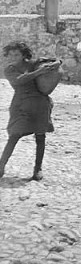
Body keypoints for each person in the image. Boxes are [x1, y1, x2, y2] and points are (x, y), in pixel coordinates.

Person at [0, 42, 59, 181]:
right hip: (21, 105)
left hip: (39, 104)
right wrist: (39, 72)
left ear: (24, 54)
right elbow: (20, 80)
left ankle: (37, 169)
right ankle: (1, 166)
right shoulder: (9, 69)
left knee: (40, 136)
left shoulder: (33, 63)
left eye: (17, 54)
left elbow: (54, 60)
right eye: (11, 54)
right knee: (14, 135)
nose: (14, 57)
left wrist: (56, 63)